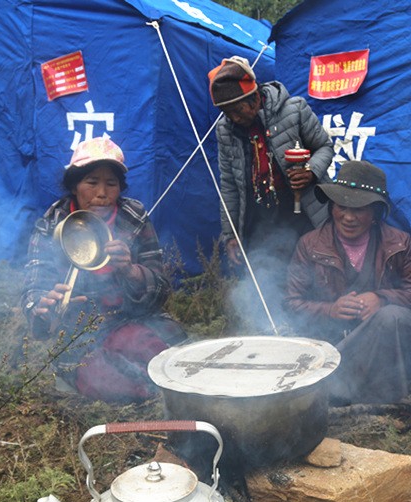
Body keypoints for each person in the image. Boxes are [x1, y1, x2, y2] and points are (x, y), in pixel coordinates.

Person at [21, 137, 186, 403]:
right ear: (74, 186)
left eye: (111, 183)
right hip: (78, 330)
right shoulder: (52, 224)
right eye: (92, 182)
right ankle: (144, 394)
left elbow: (161, 289)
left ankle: (170, 390)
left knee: (156, 353)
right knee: (109, 383)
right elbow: (34, 287)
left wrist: (131, 271)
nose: (102, 193)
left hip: (128, 320)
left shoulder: (132, 216)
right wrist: (43, 305)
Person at [284, 160, 411, 405]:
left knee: (393, 317)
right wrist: (330, 309)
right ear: (332, 206)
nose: (348, 217)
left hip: (384, 349)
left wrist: (382, 298)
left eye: (359, 209)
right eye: (341, 206)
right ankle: (342, 392)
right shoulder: (310, 244)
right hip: (334, 345)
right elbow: (291, 304)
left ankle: (377, 399)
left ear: (375, 212)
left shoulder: (398, 242)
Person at [208, 56, 334, 269]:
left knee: (310, 274)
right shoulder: (225, 130)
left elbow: (325, 146)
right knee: (267, 275)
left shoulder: (294, 110)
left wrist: (310, 170)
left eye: (238, 110)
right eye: (227, 113)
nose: (234, 119)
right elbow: (229, 185)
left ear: (255, 97)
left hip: (302, 211)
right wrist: (230, 234)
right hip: (260, 219)